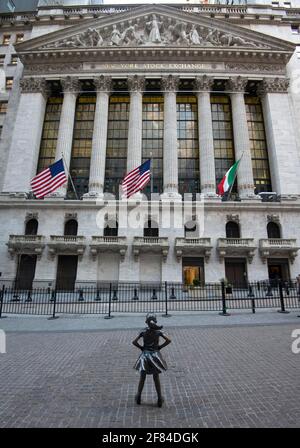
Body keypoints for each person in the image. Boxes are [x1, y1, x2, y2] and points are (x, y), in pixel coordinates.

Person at [132, 313, 171, 407]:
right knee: (156, 377)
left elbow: (134, 342)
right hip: (155, 355)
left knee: (142, 376)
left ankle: (138, 395)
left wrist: (141, 348)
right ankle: (159, 398)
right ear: (155, 321)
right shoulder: (158, 332)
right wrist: (160, 347)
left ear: (146, 322)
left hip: (145, 355)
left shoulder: (143, 332)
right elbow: (168, 340)